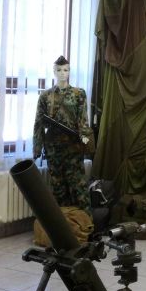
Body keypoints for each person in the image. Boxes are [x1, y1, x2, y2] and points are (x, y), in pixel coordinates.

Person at [33, 56, 91, 212]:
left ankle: (86, 221)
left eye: (65, 70)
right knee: (58, 188)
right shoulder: (46, 96)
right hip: (53, 148)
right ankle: (64, 222)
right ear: (54, 72)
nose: (62, 73)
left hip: (73, 147)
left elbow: (83, 120)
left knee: (78, 187)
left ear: (69, 71)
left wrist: (85, 139)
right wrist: (37, 148)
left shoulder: (79, 93)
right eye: (58, 70)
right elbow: (39, 123)